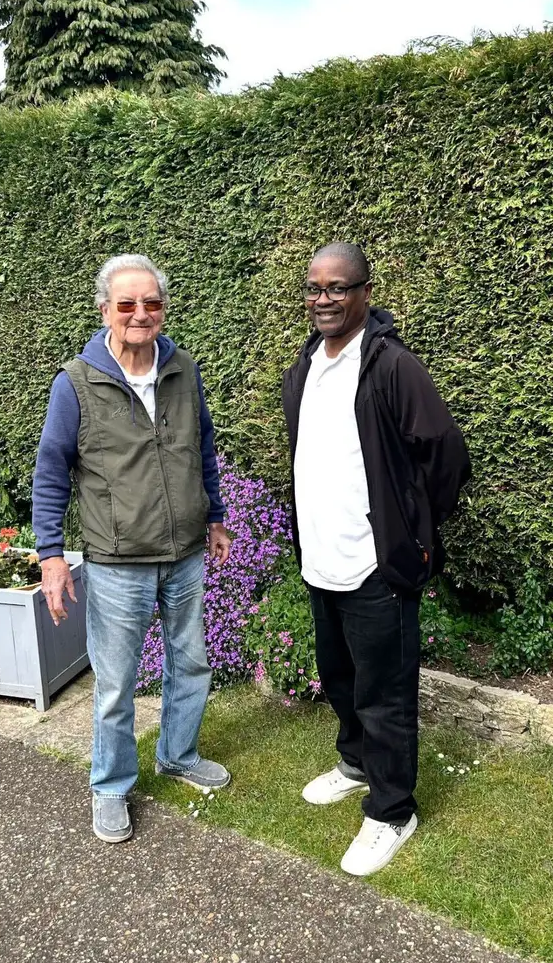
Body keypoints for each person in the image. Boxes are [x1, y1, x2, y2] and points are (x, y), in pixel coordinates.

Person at [282, 243, 470, 876]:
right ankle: (358, 764)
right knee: (340, 677)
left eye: (338, 288)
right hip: (321, 559)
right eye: (315, 288)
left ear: (364, 291)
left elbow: (445, 452)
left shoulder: (390, 366)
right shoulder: (307, 363)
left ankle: (393, 810)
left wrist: (411, 526)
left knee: (385, 692)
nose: (324, 299)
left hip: (374, 565)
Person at [33, 254, 231, 844]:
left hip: (186, 554)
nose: (141, 315)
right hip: (119, 560)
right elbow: (51, 473)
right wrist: (50, 557)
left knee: (190, 661)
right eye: (127, 304)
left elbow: (203, 449)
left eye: (152, 303)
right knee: (117, 683)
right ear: (105, 311)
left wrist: (215, 518)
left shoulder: (183, 370)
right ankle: (112, 786)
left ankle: (177, 755)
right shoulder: (76, 385)